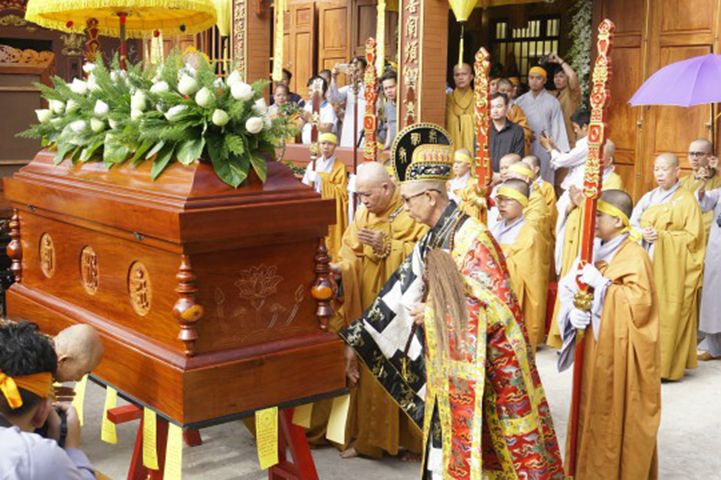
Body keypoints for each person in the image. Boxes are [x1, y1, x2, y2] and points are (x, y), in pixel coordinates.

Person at [340, 124, 564, 479]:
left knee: (501, 457)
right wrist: (356, 341)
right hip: (449, 366)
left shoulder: (472, 237)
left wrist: (433, 314)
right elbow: (399, 293)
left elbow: (498, 307)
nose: (404, 208)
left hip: (491, 373)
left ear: (430, 197)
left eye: (408, 200)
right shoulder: (434, 237)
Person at [317, 162, 427, 460]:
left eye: (367, 194)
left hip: (400, 312)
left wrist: (389, 247)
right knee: (368, 368)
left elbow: (427, 256)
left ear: (387, 188)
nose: (363, 201)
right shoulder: (363, 215)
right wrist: (340, 268)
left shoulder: (410, 212)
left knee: (403, 370)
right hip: (367, 303)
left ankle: (414, 443)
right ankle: (368, 439)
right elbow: (350, 253)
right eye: (359, 195)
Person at [556, 190, 660, 479]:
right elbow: (569, 287)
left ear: (618, 220)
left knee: (612, 410)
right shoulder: (591, 249)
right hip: (591, 347)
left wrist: (603, 287)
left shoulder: (635, 256)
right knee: (588, 406)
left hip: (618, 352)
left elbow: (640, 307)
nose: (593, 220)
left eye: (599, 215)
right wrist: (572, 313)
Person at [630, 153, 705, 380]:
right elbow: (632, 225)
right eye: (656, 169)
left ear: (677, 171)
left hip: (672, 269)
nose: (659, 174)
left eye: (664, 169)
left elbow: (694, 238)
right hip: (646, 262)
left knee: (668, 314)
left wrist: (662, 237)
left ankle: (665, 368)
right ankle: (642, 365)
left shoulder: (687, 200)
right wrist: (642, 234)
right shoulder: (649, 197)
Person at [547, 141, 623, 348]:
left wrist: (581, 202)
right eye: (590, 157)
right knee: (568, 281)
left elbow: (606, 213)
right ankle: (563, 332)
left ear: (608, 161)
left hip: (591, 237)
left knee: (584, 281)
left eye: (597, 157)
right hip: (573, 235)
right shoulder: (585, 177)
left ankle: (582, 334)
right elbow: (565, 205)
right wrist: (572, 204)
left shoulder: (613, 181)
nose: (592, 162)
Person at [0, 321, 95, 479]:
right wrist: (71, 446)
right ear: (44, 411)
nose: (79, 379)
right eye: (82, 373)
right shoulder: (32, 455)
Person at [490, 179, 550, 352]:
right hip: (492, 293)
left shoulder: (529, 233)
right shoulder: (495, 227)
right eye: (500, 199)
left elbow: (530, 273)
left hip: (513, 296)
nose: (502, 204)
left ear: (523, 202)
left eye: (509, 200)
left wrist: (495, 258)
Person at [515, 66, 569, 183]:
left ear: (545, 80)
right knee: (524, 174)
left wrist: (557, 149)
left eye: (538, 78)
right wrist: (524, 134)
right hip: (525, 143)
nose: (534, 81)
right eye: (531, 78)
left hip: (544, 146)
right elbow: (514, 125)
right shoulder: (519, 101)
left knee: (544, 176)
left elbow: (558, 126)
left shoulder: (553, 102)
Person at [302, 133, 348, 261]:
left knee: (329, 235)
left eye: (330, 144)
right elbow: (305, 186)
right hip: (315, 206)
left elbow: (341, 193)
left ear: (335, 146)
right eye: (323, 143)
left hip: (329, 208)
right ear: (318, 145)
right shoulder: (313, 165)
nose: (326, 147)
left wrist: (321, 181)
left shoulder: (340, 167)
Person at [696, 157, 721, 360]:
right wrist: (702, 184)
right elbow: (702, 203)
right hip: (717, 254)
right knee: (714, 300)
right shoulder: (718, 192)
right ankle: (715, 349)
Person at [540, 109, 590, 191]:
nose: (575, 131)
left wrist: (548, 147)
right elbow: (568, 157)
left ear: (584, 127)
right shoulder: (584, 142)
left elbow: (564, 160)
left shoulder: (587, 144)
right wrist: (553, 146)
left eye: (575, 127)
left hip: (579, 187)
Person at [680, 138, 721, 237]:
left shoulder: (718, 182)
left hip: (705, 235)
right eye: (691, 154)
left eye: (699, 154)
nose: (694, 158)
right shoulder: (681, 182)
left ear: (710, 157)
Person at [329, 56, 367, 148]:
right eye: (352, 69)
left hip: (364, 126)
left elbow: (364, 95)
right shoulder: (348, 88)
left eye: (357, 70)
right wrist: (334, 78)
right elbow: (333, 98)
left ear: (364, 72)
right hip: (349, 127)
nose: (353, 73)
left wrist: (355, 81)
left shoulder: (369, 87)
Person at [547, 53, 581, 147]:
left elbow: (572, 76)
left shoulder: (572, 93)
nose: (557, 79)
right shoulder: (552, 94)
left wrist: (559, 60)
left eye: (561, 76)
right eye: (555, 77)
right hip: (553, 140)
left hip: (569, 140)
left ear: (567, 79)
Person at [490, 93, 526, 172]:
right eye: (491, 107)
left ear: (507, 107)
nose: (495, 111)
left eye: (499, 106)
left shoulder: (517, 130)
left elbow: (518, 157)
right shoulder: (483, 130)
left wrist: (503, 175)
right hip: (486, 176)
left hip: (509, 175)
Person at [298, 76, 338, 145]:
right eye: (308, 90)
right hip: (306, 145)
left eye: (311, 90)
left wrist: (309, 118)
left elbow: (327, 129)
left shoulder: (328, 107)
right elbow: (299, 128)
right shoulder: (307, 105)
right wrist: (303, 118)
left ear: (320, 91)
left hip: (322, 147)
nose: (308, 93)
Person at [497, 78, 532, 155]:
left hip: (511, 143)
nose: (505, 93)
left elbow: (525, 129)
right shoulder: (490, 107)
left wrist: (512, 134)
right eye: (502, 90)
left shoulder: (515, 108)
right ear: (497, 90)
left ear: (513, 92)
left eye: (508, 91)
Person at [446, 63, 475, 152]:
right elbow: (450, 120)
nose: (460, 78)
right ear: (453, 78)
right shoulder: (448, 98)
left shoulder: (478, 98)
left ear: (471, 77)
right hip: (452, 145)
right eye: (457, 75)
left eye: (464, 74)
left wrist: (460, 118)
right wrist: (468, 117)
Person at [447, 149, 482, 219]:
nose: (455, 166)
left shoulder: (474, 185)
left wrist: (456, 200)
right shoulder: (448, 184)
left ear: (469, 164)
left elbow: (474, 211)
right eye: (454, 162)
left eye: (459, 162)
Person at [379, 71, 398, 151]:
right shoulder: (387, 105)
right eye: (386, 88)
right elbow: (389, 127)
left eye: (391, 87)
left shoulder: (406, 104)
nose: (389, 91)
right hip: (391, 149)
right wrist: (386, 145)